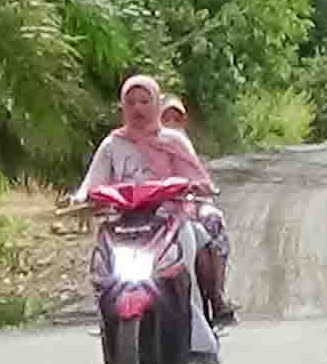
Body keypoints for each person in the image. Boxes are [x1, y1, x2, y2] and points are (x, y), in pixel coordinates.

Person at [75, 75, 235, 327]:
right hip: (125, 221)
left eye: (144, 101)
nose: (137, 108)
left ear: (156, 105)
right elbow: (92, 183)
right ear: (122, 108)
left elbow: (195, 176)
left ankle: (214, 300)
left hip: (171, 217)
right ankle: (106, 312)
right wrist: (81, 198)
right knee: (102, 258)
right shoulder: (111, 145)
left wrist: (195, 187)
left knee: (200, 237)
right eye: (131, 102)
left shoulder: (174, 141)